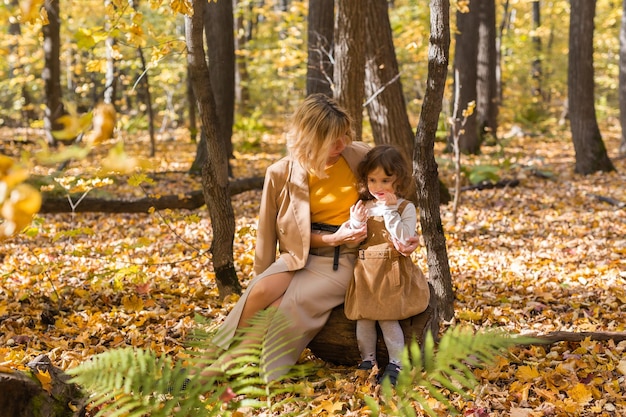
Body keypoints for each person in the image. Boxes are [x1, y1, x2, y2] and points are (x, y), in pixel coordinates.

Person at [210, 94, 419, 381]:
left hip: (346, 260)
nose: (341, 145)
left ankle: (228, 371)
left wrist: (406, 236)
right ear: (310, 137)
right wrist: (263, 273)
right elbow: (266, 233)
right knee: (259, 292)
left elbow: (388, 198)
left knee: (281, 307)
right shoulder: (280, 173)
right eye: (333, 140)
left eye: (344, 136)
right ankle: (209, 358)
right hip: (300, 255)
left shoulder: (358, 156)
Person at [344, 144, 430, 386]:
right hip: (366, 272)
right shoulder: (366, 207)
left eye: (385, 180)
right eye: (372, 180)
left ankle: (397, 363)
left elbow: (403, 238)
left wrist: (390, 211)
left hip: (391, 271)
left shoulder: (405, 207)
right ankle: (367, 361)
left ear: (398, 180)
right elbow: (355, 239)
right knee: (364, 319)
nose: (378, 187)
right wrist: (355, 221)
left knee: (387, 318)